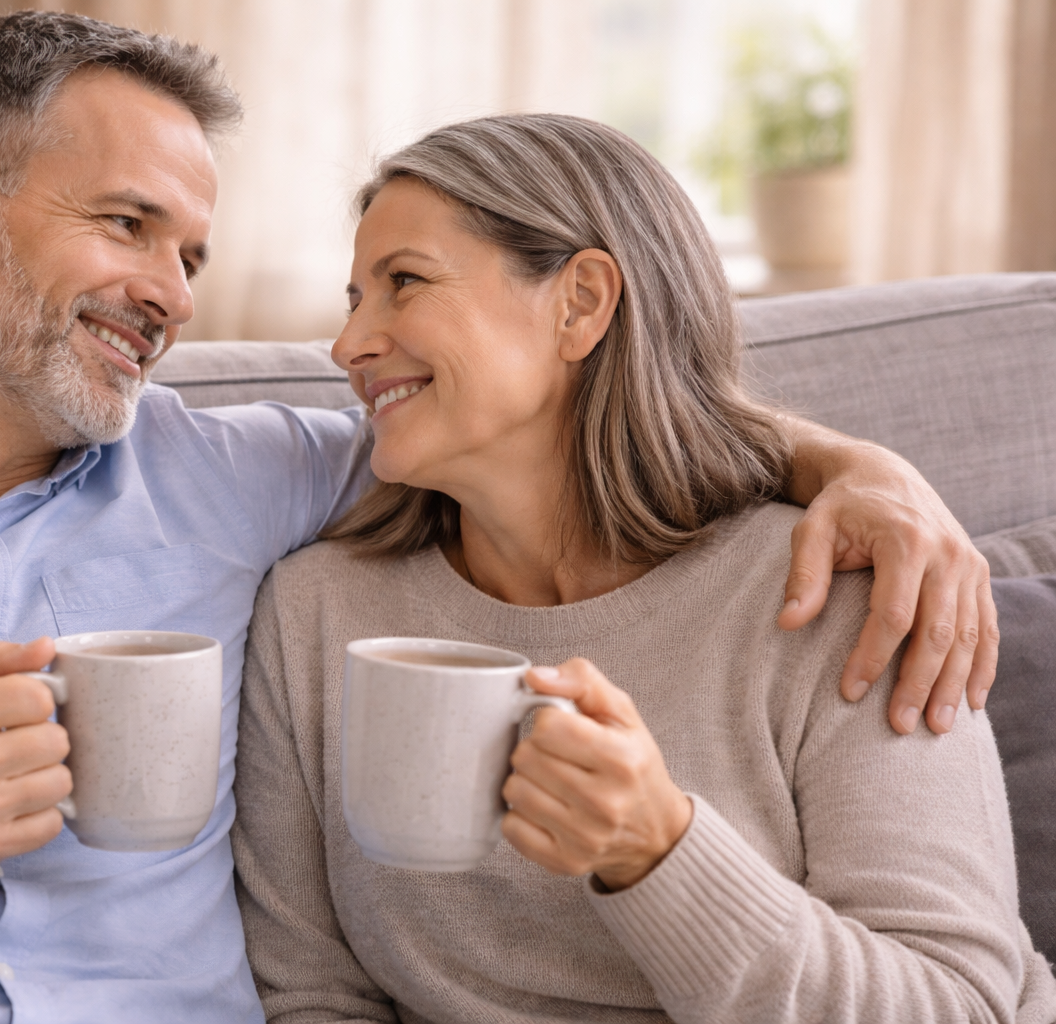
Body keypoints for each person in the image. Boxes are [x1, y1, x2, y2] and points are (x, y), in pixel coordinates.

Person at [0, 12, 998, 1024]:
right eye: (124, 225)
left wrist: (860, 469)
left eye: (194, 250)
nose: (172, 293)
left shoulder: (262, 485)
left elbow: (563, 440)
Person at [232, 113, 1056, 1023]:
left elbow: (956, 1006)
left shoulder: (837, 590)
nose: (349, 346)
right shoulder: (314, 614)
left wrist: (661, 852)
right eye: (355, 299)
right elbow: (312, 995)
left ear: (581, 302)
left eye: (405, 284)